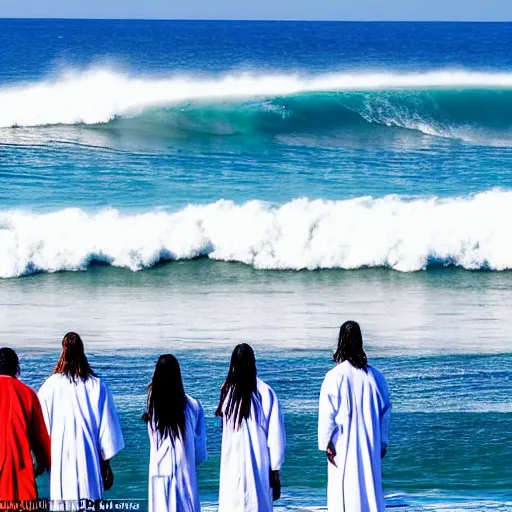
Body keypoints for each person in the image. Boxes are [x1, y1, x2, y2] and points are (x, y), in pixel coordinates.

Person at [38, 332, 125, 501]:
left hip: (61, 456)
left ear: (63, 351)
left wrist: (44, 461)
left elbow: (41, 427)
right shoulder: (97, 385)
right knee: (89, 499)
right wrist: (106, 465)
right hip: (89, 458)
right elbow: (107, 429)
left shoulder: (50, 386)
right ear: (82, 351)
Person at [318, 321, 391, 512]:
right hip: (370, 444)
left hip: (342, 446)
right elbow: (385, 412)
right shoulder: (375, 377)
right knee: (369, 489)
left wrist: (326, 444)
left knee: (343, 493)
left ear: (340, 342)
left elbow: (328, 415)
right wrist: (382, 442)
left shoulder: (334, 376)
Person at [216, 344, 286, 512]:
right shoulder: (265, 392)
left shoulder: (227, 394)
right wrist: (276, 470)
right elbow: (276, 437)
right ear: (253, 362)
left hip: (231, 469)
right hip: (259, 468)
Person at [143, 354, 207, 512]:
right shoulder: (193, 406)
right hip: (184, 472)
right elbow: (200, 454)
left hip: (160, 470)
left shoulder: (152, 405)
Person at [0, 348, 51, 500]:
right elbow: (40, 439)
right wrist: (46, 464)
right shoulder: (28, 394)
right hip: (20, 474)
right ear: (16, 368)